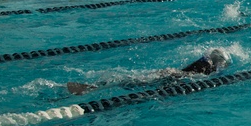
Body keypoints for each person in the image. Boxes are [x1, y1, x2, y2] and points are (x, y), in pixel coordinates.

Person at [66, 48, 231, 96]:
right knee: (133, 83)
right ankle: (92, 88)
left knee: (133, 80)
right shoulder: (210, 68)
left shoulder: (205, 61)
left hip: (170, 73)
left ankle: (94, 86)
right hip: (173, 76)